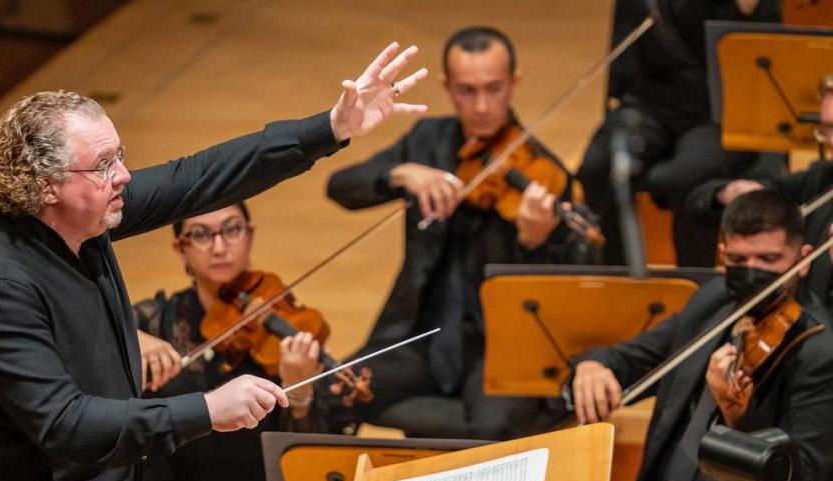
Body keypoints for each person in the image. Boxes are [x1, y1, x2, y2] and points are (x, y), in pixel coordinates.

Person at [0, 42, 428, 481]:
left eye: (121, 156)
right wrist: (208, 409)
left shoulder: (78, 213)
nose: (125, 178)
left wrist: (331, 127)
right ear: (46, 184)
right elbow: (63, 425)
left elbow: (198, 178)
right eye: (106, 164)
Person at [510, 189, 833, 481]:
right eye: (740, 260)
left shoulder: (818, 351)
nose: (753, 274)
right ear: (722, 253)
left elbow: (805, 477)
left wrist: (740, 421)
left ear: (803, 256)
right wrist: (593, 366)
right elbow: (637, 355)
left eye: (769, 261)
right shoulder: (713, 303)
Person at [326, 26, 596, 442]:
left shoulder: (544, 173)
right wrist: (399, 173)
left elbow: (573, 285)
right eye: (467, 91)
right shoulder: (427, 141)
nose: (483, 106)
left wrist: (535, 242)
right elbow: (341, 187)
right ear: (447, 87)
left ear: (514, 83)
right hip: (417, 334)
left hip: (496, 347)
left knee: (494, 425)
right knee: (331, 394)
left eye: (494, 89)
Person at [128, 201, 340, 481]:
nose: (219, 246)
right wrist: (136, 341)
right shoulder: (155, 321)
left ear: (250, 234)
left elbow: (314, 455)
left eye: (232, 230)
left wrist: (300, 393)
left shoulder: (286, 331)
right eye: (201, 235)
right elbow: (86, 332)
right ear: (180, 248)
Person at [577, 0, 782, 266]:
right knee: (598, 165)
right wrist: (619, 118)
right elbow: (623, 64)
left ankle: (695, 285)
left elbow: (766, 58)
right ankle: (616, 277)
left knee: (685, 179)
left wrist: (745, 12)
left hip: (720, 110)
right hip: (650, 104)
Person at [689, 72, 833, 306]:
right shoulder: (823, 178)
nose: (832, 141)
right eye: (827, 128)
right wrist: (729, 193)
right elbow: (700, 203)